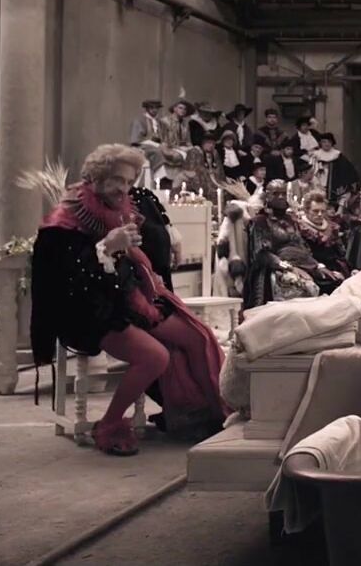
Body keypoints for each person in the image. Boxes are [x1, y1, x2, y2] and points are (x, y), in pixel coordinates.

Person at [30, 144, 226, 455]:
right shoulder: (63, 220)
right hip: (87, 310)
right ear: (95, 178)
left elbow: (130, 264)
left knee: (197, 336)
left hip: (128, 299)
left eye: (129, 181)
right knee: (156, 356)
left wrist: (140, 267)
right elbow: (67, 281)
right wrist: (107, 248)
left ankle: (214, 414)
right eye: (117, 180)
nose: (124, 188)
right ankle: (109, 423)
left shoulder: (119, 208)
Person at [245, 181, 337, 307]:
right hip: (274, 267)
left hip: (302, 264)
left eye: (283, 193)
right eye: (276, 194)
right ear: (267, 196)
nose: (281, 197)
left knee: (333, 282)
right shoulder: (260, 221)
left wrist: (317, 266)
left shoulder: (290, 219)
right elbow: (261, 253)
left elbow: (302, 246)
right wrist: (288, 267)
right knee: (304, 287)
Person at [129, 185, 182, 290]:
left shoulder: (144, 195)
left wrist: (174, 241)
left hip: (155, 258)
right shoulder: (142, 195)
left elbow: (164, 221)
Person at [297, 190, 350, 282]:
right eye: (315, 211)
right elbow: (303, 255)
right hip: (314, 270)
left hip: (335, 267)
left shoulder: (331, 226)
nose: (320, 214)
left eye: (322, 211)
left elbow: (340, 253)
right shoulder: (301, 228)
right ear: (306, 211)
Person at [310, 132, 360, 207]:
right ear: (320, 143)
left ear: (332, 143)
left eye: (329, 142)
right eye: (324, 142)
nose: (326, 144)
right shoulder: (315, 155)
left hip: (334, 183)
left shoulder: (337, 155)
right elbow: (311, 170)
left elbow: (348, 170)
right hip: (319, 182)